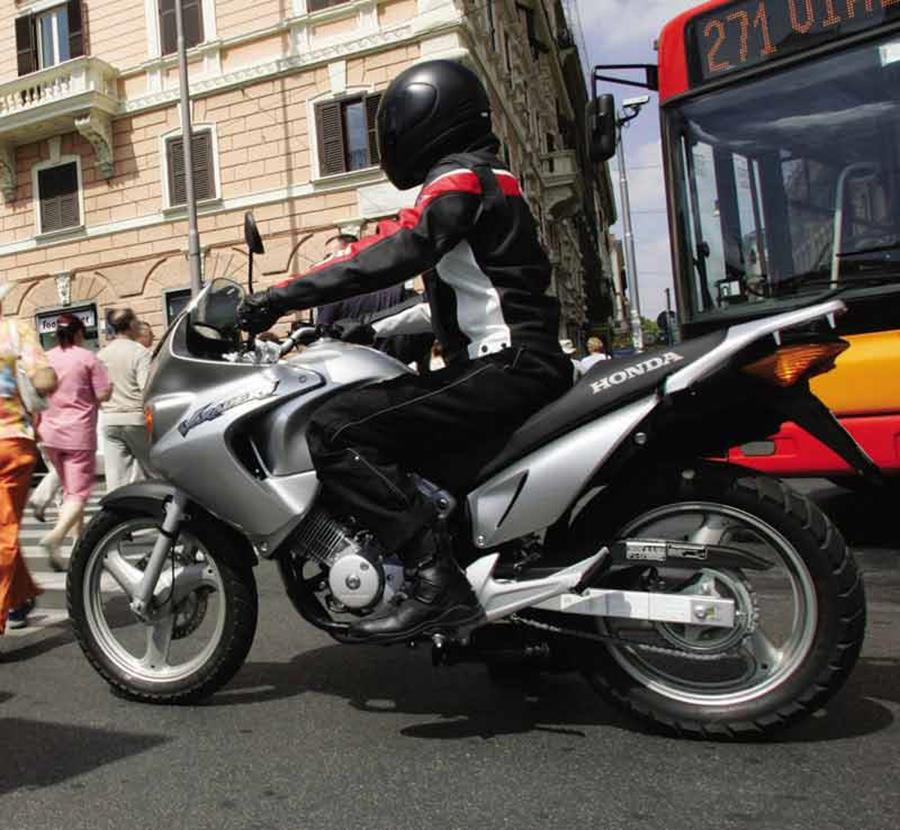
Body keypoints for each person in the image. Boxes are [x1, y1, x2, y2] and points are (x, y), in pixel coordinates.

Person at [237, 60, 572, 642]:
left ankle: (433, 579)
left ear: (427, 116)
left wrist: (278, 296)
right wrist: (367, 332)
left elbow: (393, 249)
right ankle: (503, 614)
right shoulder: (493, 176)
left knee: (338, 430)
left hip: (505, 364)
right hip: (522, 359)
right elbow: (467, 290)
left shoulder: (458, 179)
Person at [0, 282, 57, 632]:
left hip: (11, 445)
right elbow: (44, 379)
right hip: (13, 443)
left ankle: (15, 601)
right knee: (4, 528)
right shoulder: (16, 331)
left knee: (3, 527)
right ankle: (18, 598)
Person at [38, 314, 111, 571]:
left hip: (49, 432)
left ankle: (76, 547)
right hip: (77, 433)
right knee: (78, 493)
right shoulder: (87, 358)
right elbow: (104, 393)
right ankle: (55, 536)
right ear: (80, 333)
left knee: (69, 491)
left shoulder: (45, 358)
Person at [97, 308, 153, 492]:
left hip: (110, 420)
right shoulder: (140, 353)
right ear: (130, 325)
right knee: (153, 470)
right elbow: (146, 388)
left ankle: (116, 514)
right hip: (135, 419)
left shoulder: (101, 355)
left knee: (115, 478)